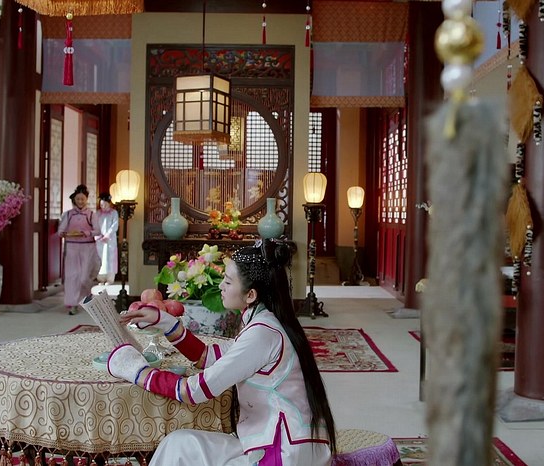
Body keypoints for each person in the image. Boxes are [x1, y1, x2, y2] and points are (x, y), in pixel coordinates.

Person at [108, 239, 336, 465]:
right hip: (280, 443)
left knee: (179, 447)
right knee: (178, 444)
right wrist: (165, 322)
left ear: (251, 295)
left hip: (281, 454)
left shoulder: (262, 334)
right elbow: (207, 356)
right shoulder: (264, 321)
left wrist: (136, 371)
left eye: (227, 281)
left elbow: (193, 391)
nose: (220, 287)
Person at [58, 184, 101, 315]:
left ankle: (85, 298)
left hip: (87, 247)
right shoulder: (68, 214)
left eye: (82, 199)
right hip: (72, 247)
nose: (80, 201)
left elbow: (98, 231)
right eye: (78, 199)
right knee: (72, 276)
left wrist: (85, 233)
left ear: (86, 199)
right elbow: (61, 231)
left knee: (84, 277)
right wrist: (65, 233)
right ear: (74, 200)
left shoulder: (91, 214)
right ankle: (73, 304)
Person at [95, 192, 119, 285]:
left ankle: (110, 279)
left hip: (110, 239)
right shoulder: (97, 213)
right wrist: (98, 235)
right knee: (100, 258)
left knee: (110, 258)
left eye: (105, 204)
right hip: (100, 239)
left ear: (109, 203)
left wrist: (108, 234)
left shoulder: (114, 213)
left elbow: (115, 225)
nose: (103, 207)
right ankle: (101, 279)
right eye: (101, 205)